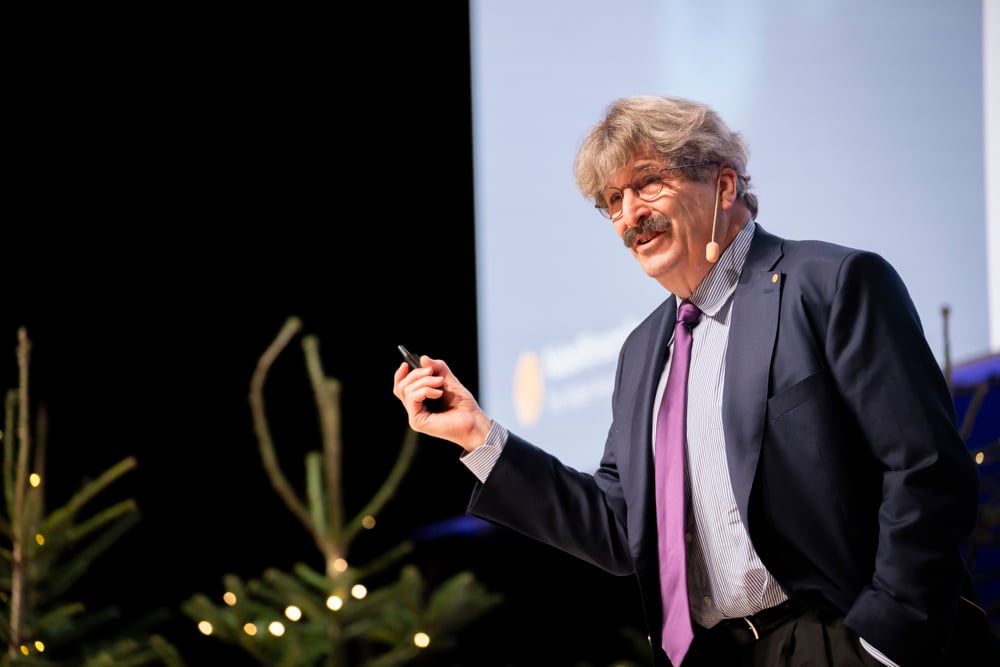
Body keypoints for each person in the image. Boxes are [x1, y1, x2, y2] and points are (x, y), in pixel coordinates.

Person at [392, 95, 999, 666]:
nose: (630, 215)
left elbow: (925, 470)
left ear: (724, 184)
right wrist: (477, 434)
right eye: (612, 201)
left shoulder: (832, 284)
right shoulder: (641, 354)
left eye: (648, 182)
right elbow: (616, 524)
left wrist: (882, 643)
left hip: (838, 636)